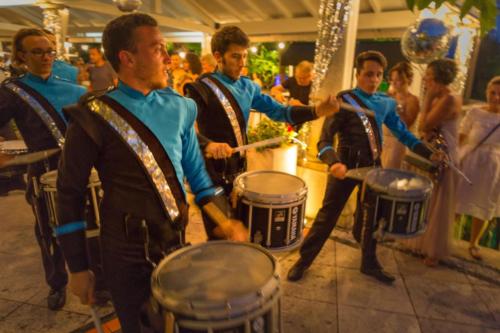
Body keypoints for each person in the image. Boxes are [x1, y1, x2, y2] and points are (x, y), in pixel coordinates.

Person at [55, 14, 247, 333]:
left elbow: (198, 178)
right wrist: (77, 267)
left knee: (176, 323)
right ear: (127, 58)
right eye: (158, 48)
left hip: (173, 240)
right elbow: (69, 193)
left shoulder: (181, 107)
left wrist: (223, 219)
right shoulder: (91, 117)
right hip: (123, 251)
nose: (169, 58)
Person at [286, 51, 437, 284]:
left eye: (378, 75)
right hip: (344, 168)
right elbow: (324, 140)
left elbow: (404, 134)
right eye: (368, 74)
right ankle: (303, 261)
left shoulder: (386, 103)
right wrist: (333, 162)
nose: (374, 80)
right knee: (327, 217)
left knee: (372, 218)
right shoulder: (344, 100)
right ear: (357, 74)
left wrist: (429, 153)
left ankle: (369, 263)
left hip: (374, 169)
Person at [184, 25, 340, 240]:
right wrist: (207, 144)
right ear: (218, 56)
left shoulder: (249, 87)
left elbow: (280, 112)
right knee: (222, 239)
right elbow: (183, 128)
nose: (242, 63)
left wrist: (316, 111)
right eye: (235, 57)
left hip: (239, 170)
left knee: (241, 234)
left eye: (244, 56)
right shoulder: (200, 89)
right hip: (209, 174)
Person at [0, 28, 86, 309]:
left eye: (50, 51)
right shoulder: (13, 91)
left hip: (82, 167)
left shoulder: (75, 88)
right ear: (22, 55)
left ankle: (96, 276)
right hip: (43, 171)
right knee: (48, 230)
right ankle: (57, 283)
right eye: (37, 51)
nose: (46, 56)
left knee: (92, 222)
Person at [404, 58, 461, 267]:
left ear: (437, 77)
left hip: (443, 155)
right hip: (434, 152)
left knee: (437, 201)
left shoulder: (447, 99)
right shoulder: (444, 96)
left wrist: (427, 98)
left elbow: (424, 124)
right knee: (427, 199)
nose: (426, 80)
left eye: (428, 76)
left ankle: (433, 250)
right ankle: (420, 243)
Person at [456, 76, 500, 260]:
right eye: (493, 92)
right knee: (456, 199)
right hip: (469, 159)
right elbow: (462, 135)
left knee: (483, 201)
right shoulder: (475, 112)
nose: (496, 97)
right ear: (486, 92)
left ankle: (474, 243)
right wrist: (457, 157)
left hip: (493, 164)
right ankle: (443, 237)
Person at [381, 61, 420, 169]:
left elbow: (406, 124)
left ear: (408, 80)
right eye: (392, 80)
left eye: (398, 80)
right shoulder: (388, 96)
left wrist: (396, 108)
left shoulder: (412, 100)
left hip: (398, 144)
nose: (394, 83)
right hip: (383, 140)